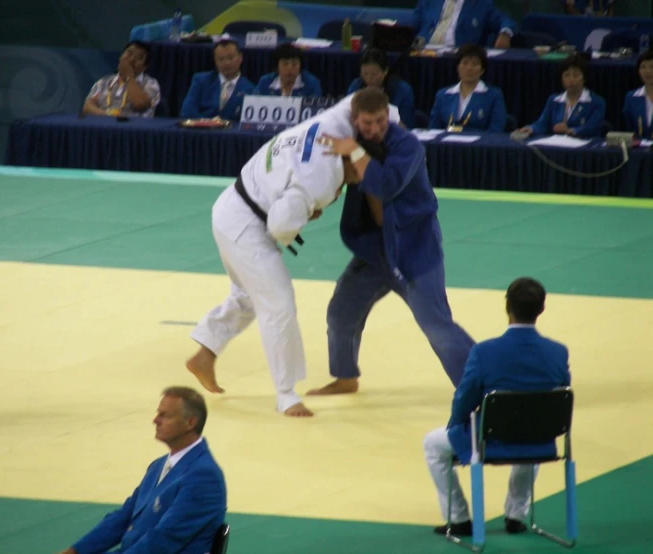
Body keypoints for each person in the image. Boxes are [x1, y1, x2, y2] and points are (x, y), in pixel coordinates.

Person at [185, 90, 398, 417]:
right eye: (361, 174)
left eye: (379, 122)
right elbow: (280, 225)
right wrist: (304, 212)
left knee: (249, 295)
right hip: (246, 223)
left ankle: (205, 353)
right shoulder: (321, 178)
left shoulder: (342, 115)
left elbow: (378, 107)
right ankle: (286, 395)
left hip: (234, 204)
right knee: (278, 302)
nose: (361, 182)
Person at [306, 89, 475, 397]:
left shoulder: (407, 146)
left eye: (381, 121)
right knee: (340, 313)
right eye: (368, 123)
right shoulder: (351, 143)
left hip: (414, 249)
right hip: (374, 251)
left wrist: (355, 150)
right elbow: (328, 179)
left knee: (435, 324)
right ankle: (345, 377)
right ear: (355, 120)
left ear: (389, 116)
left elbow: (385, 186)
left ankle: (480, 381)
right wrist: (308, 207)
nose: (375, 129)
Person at [423, 277, 571, 537]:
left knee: (433, 445)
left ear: (507, 307)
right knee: (532, 426)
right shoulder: (558, 352)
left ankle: (458, 518)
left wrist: (456, 424)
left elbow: (465, 397)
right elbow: (559, 395)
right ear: (542, 309)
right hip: (541, 439)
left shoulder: (484, 352)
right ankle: (516, 515)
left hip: (490, 440)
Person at [57, 387, 226, 554]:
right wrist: (74, 551)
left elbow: (164, 539)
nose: (155, 420)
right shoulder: (158, 467)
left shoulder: (204, 476)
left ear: (190, 422)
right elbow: (123, 518)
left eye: (164, 415)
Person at [519, 54, 606, 138]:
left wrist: (569, 131)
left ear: (584, 78)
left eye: (575, 75)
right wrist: (531, 129)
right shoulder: (553, 100)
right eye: (566, 75)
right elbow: (542, 123)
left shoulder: (597, 102)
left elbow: (592, 128)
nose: (571, 79)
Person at [429, 43, 507, 132]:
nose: (469, 68)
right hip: (447, 144)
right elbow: (433, 128)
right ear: (457, 67)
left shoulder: (493, 95)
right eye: (465, 63)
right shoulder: (442, 95)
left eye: (474, 64)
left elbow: (496, 129)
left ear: (482, 70)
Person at [180, 39, 255, 122]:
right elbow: (187, 111)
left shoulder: (250, 89)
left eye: (230, 58)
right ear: (215, 61)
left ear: (240, 58)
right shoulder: (201, 81)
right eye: (221, 59)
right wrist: (208, 123)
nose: (226, 62)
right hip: (202, 131)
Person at [82, 41, 160, 118]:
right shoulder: (104, 81)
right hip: (104, 126)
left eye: (139, 57)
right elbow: (87, 107)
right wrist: (108, 116)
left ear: (144, 67)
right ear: (121, 56)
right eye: (129, 53)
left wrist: (129, 77)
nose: (132, 59)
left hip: (133, 129)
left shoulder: (151, 84)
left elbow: (140, 104)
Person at [346, 47, 415, 128]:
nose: (369, 79)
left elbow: (406, 127)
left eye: (374, 75)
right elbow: (349, 117)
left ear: (385, 71)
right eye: (365, 74)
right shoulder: (356, 86)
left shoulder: (403, 90)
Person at [409, 0, 516, 49]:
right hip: (423, 52)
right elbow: (412, 24)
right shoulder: (428, 1)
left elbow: (505, 20)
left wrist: (505, 33)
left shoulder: (481, 4)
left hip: (458, 56)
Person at [253, 43, 323, 98]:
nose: (290, 68)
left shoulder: (312, 84)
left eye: (294, 64)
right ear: (277, 67)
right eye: (285, 64)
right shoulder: (265, 82)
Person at [622, 49, 653, 139]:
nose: (647, 71)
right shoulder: (631, 97)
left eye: (652, 67)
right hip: (638, 149)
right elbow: (627, 129)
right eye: (643, 67)